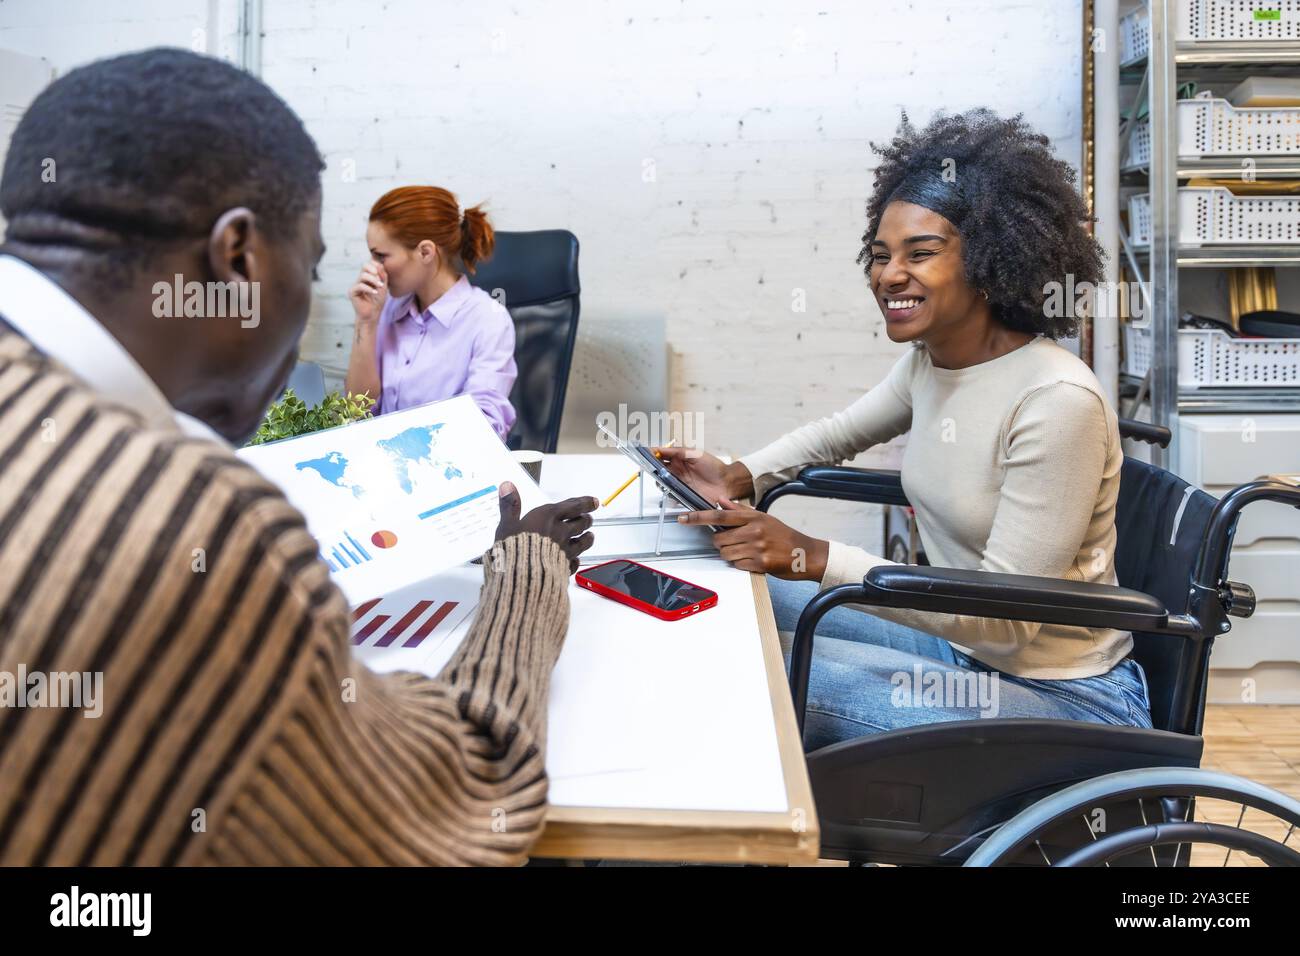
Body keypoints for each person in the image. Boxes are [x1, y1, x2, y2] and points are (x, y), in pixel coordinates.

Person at [0, 48, 596, 865]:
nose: (359, 275)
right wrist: (527, 571)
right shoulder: (188, 519)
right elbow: (458, 796)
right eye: (312, 264)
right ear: (239, 259)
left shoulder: (484, 322)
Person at [662, 110, 1152, 751]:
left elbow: (1005, 626)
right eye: (880, 256)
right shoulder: (933, 361)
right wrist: (738, 473)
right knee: (717, 602)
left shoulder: (1056, 401)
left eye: (921, 254)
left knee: (759, 671)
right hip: (957, 651)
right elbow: (835, 433)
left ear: (991, 259)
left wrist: (813, 555)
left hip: (1060, 698)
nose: (889, 275)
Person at [345, 186, 517, 440]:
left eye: (381, 256)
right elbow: (355, 413)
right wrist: (366, 322)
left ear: (425, 252)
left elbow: (484, 430)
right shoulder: (388, 308)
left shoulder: (488, 319)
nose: (373, 267)